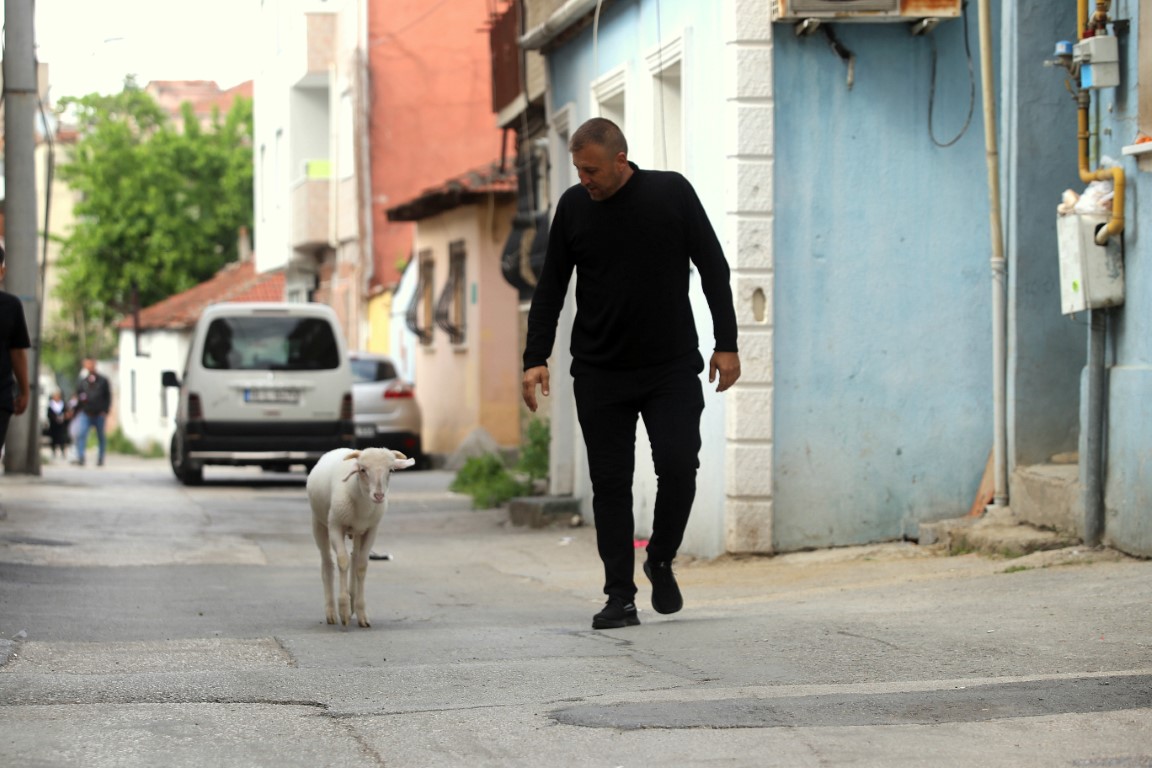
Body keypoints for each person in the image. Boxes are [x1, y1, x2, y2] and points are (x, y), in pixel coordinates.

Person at [521, 118, 741, 630]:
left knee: (678, 464)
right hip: (600, 372)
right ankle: (619, 596)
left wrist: (726, 344)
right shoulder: (574, 208)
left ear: (621, 159)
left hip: (669, 366)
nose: (584, 180)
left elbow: (713, 267)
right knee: (610, 484)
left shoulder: (670, 193)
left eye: (592, 169)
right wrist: (536, 356)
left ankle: (660, 556)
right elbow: (551, 286)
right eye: (578, 170)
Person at [0, 244, 32, 458]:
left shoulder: (11, 306)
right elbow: (17, 353)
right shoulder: (10, 305)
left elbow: (17, 352)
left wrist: (23, 390)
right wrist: (24, 391)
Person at [73, 358, 112, 467]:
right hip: (86, 413)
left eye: (90, 364)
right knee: (81, 435)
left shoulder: (103, 381)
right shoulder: (83, 381)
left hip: (99, 413)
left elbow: (108, 396)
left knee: (101, 437)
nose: (89, 367)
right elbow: (78, 396)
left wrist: (105, 410)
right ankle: (81, 457)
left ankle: (100, 458)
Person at [46, 389, 71, 458]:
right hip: (54, 425)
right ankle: (54, 451)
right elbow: (48, 415)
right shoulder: (51, 405)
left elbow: (67, 413)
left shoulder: (63, 404)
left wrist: (64, 417)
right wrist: (55, 418)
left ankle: (63, 451)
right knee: (54, 439)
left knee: (62, 438)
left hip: (62, 425)